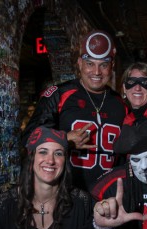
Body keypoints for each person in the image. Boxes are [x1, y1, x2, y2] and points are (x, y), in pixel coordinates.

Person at [21, 30, 127, 191]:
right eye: (90, 63)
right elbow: (28, 139)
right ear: (79, 63)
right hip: (67, 193)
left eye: (103, 65)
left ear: (111, 66)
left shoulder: (120, 103)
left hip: (108, 194)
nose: (97, 72)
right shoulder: (59, 94)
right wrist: (65, 140)